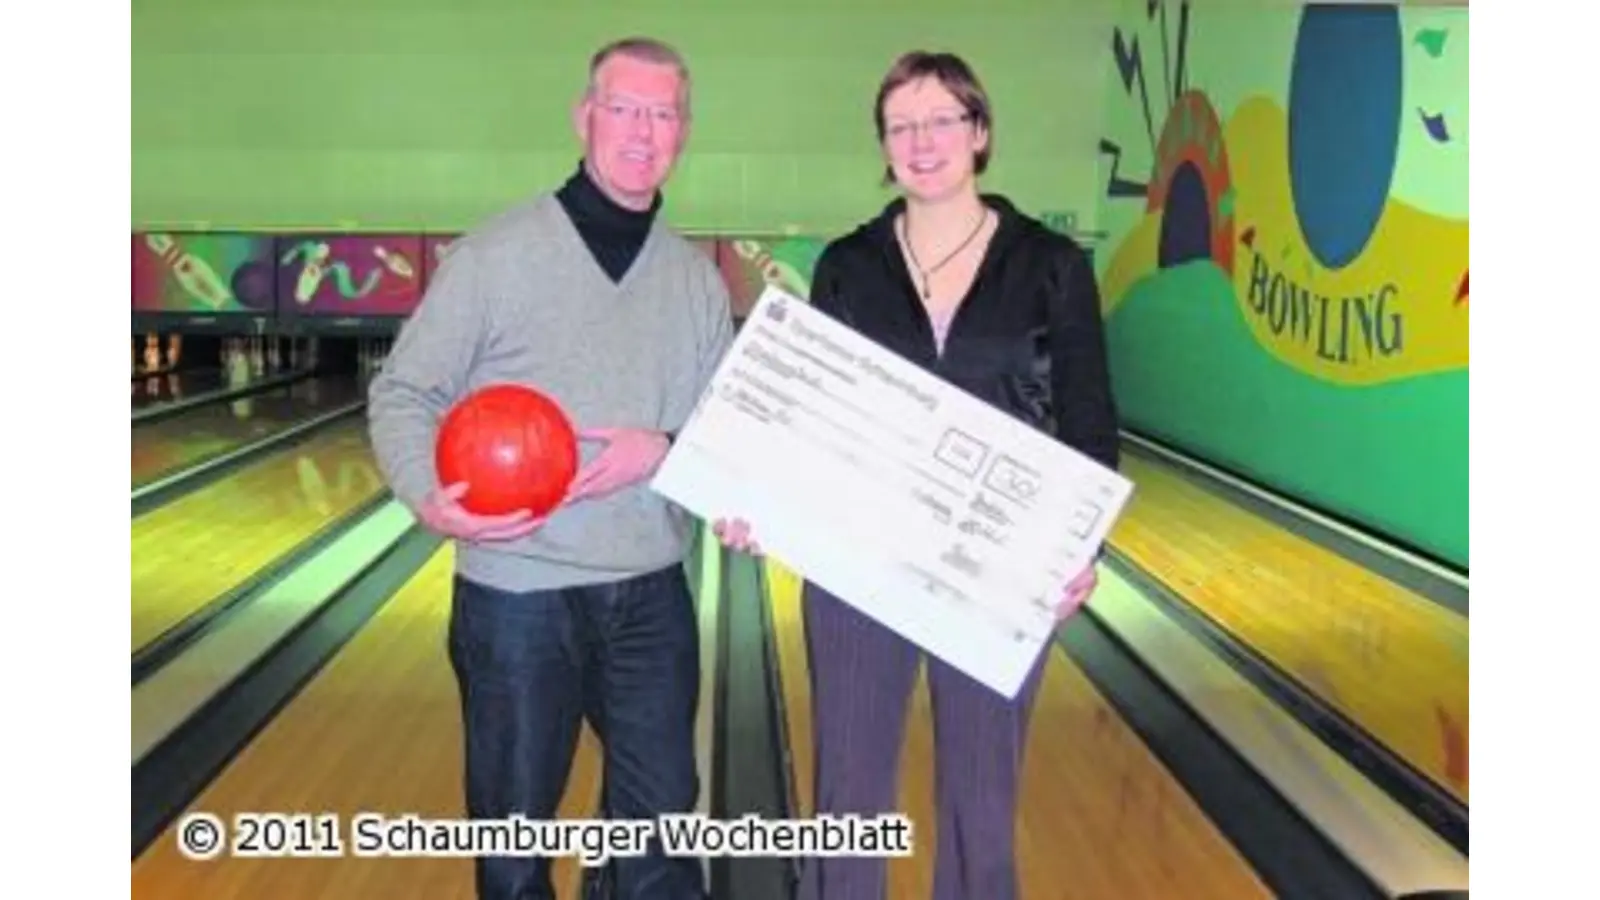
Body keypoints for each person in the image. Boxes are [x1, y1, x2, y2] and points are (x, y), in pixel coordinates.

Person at [712, 50, 1119, 899]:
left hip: (1001, 566)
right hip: (861, 563)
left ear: (980, 133)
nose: (922, 141)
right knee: (849, 798)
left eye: (940, 121)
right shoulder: (849, 266)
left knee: (980, 798)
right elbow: (802, 418)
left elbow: (1088, 417)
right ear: (884, 145)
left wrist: (1083, 547)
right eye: (902, 126)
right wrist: (752, 497)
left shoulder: (1051, 264)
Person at [367, 36, 733, 900]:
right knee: (514, 845)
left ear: (683, 130)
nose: (643, 131)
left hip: (649, 593)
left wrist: (671, 452)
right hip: (514, 597)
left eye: (664, 113)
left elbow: (724, 440)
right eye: (624, 108)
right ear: (584, 117)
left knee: (660, 841)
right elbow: (403, 391)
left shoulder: (696, 282)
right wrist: (429, 496)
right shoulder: (494, 257)